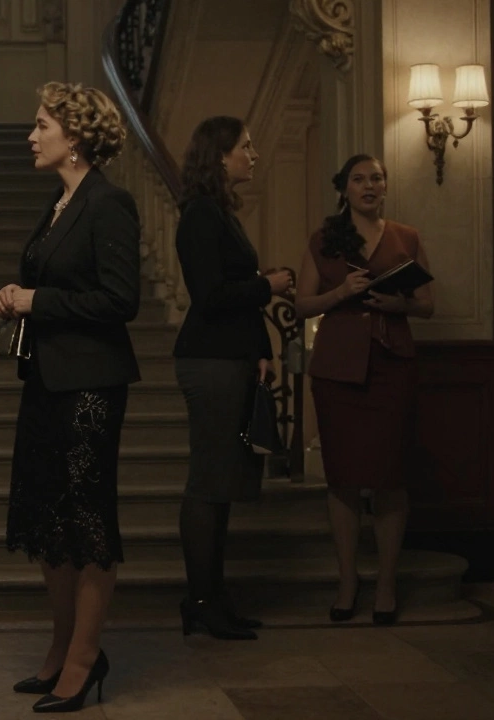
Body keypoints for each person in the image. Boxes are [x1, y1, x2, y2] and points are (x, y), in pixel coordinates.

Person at [0, 81, 139, 713]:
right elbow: (49, 282)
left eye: (42, 125)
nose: (31, 134)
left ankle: (84, 659)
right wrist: (14, 296)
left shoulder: (109, 203)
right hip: (47, 381)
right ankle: (60, 650)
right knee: (47, 521)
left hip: (90, 387)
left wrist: (36, 300)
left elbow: (119, 300)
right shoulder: (61, 201)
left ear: (74, 137)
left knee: (86, 522)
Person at [293, 154, 433, 626]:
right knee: (344, 479)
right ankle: (348, 580)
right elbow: (301, 305)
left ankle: (388, 584)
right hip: (337, 371)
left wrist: (398, 303)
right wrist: (340, 294)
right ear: (345, 189)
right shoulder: (325, 240)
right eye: (359, 179)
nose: (369, 185)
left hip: (392, 366)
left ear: (385, 186)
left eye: (376, 178)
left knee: (391, 477)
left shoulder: (406, 237)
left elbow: (427, 305)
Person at [172, 116, 293, 641]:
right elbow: (212, 297)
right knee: (208, 484)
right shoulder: (199, 215)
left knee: (221, 485)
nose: (254, 154)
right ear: (220, 156)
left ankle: (213, 597)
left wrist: (261, 351)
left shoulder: (220, 213)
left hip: (232, 357)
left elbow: (235, 292)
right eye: (246, 146)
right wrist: (268, 285)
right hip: (209, 361)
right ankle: (201, 599)